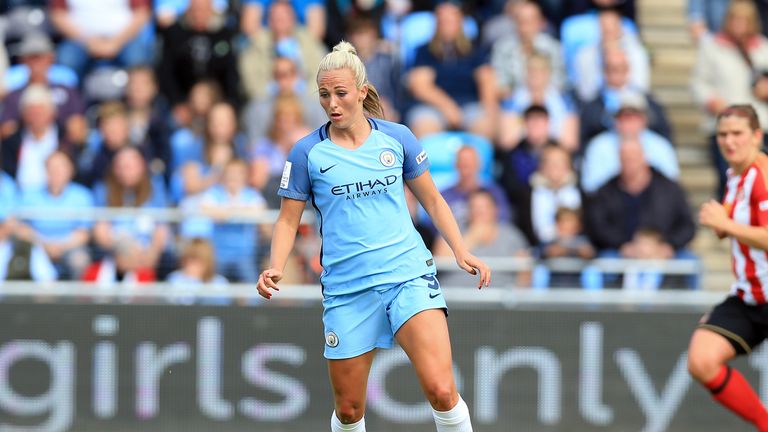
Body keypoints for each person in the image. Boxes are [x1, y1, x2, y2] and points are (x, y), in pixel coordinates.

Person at [257, 41, 490, 432]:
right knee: (349, 409)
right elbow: (286, 221)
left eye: (341, 93)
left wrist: (461, 249)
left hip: (407, 276)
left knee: (442, 389)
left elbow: (432, 199)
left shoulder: (397, 138)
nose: (332, 103)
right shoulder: (306, 154)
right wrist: (274, 266)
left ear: (362, 92)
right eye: (325, 95)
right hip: (348, 290)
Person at [689, 104, 768, 431]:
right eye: (722, 134)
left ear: (756, 136)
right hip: (751, 297)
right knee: (701, 359)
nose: (729, 141)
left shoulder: (762, 176)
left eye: (737, 133)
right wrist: (726, 225)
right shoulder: (734, 174)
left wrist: (726, 224)